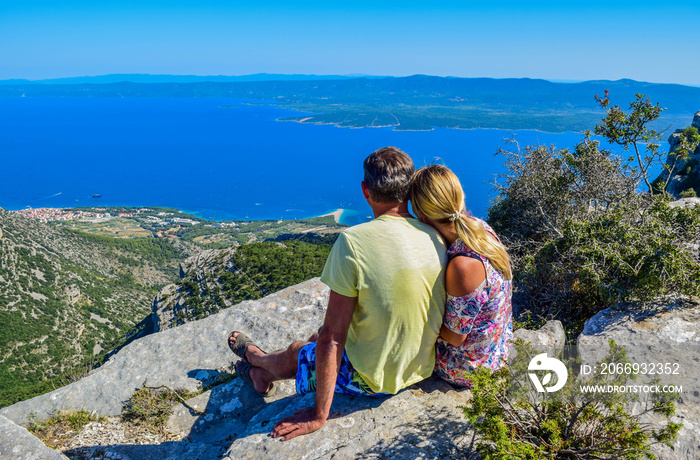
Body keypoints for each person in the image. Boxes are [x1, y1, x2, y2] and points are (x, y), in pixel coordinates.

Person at [228, 147, 446, 440]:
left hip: (376, 379)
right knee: (314, 340)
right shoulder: (436, 235)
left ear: (365, 191)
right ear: (409, 190)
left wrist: (319, 416)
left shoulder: (353, 242)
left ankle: (258, 365)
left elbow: (334, 338)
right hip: (421, 367)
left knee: (303, 349)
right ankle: (261, 370)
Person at [409, 164, 512, 388]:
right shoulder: (481, 229)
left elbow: (456, 337)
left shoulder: (463, 267)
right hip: (498, 349)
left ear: (423, 216)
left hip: (469, 368)